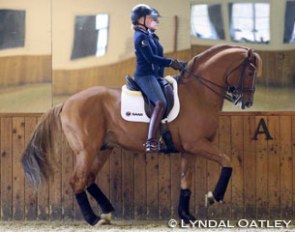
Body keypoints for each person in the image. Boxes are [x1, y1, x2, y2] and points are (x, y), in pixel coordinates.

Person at [131, 4, 185, 152]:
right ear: (140, 19)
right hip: (145, 75)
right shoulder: (140, 36)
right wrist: (171, 62)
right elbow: (151, 58)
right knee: (160, 103)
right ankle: (151, 141)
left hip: (154, 75)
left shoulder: (147, 35)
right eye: (148, 17)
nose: (151, 20)